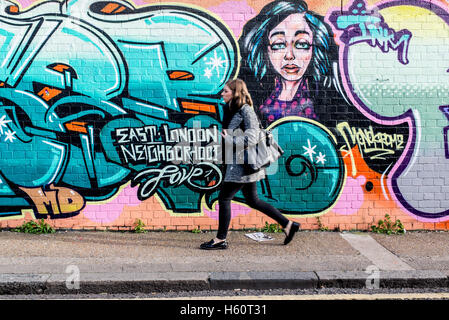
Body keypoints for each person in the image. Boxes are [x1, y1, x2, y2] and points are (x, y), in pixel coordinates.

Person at [199, 78, 300, 250]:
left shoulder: (246, 110)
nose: (222, 94)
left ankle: (220, 239)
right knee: (253, 200)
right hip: (239, 163)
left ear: (235, 92)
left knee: (224, 198)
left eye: (225, 91)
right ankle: (288, 224)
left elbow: (253, 137)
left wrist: (230, 138)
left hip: (241, 165)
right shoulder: (231, 109)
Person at [238, 0, 350, 129]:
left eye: (302, 44)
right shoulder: (256, 100)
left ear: (315, 48)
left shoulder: (325, 102)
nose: (289, 55)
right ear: (265, 50)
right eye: (278, 44)